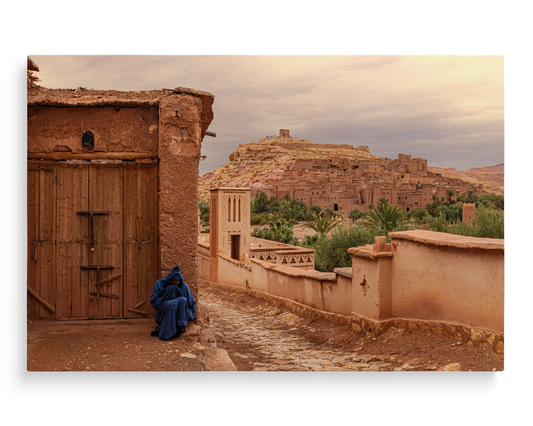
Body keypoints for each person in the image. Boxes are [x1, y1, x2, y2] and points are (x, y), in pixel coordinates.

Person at [150, 265, 196, 341]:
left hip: (181, 316)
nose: (176, 286)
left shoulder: (184, 286)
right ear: (169, 280)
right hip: (163, 315)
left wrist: (187, 317)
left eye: (177, 284)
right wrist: (168, 294)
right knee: (171, 304)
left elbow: (192, 305)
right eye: (173, 283)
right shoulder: (159, 284)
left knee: (182, 300)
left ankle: (180, 327)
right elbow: (154, 303)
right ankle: (168, 330)